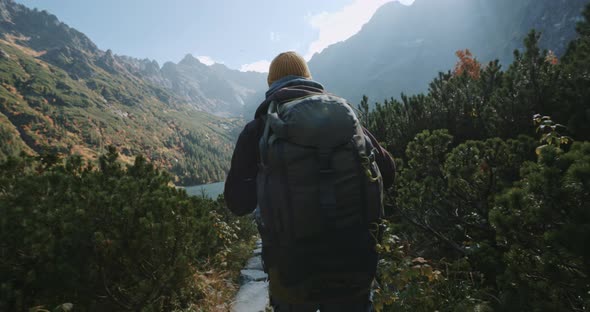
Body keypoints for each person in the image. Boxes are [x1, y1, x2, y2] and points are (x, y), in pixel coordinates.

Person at [225, 51, 395, 312]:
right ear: (308, 78)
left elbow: (238, 203)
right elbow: (389, 173)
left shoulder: (259, 128)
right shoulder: (347, 120)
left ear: (271, 84)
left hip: (292, 267)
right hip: (354, 258)